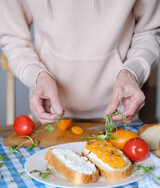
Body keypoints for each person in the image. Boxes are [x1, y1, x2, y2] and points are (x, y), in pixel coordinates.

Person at [0, 0, 160, 124]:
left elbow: (150, 31)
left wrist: (132, 72)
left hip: (121, 113)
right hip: (48, 116)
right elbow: (13, 37)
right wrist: (37, 75)